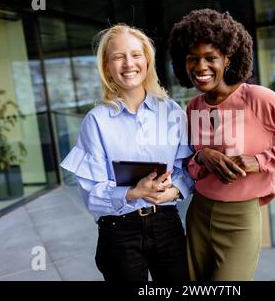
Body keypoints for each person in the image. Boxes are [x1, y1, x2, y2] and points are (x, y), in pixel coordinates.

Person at [169, 9, 275, 281]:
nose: (200, 67)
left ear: (227, 59)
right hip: (199, 212)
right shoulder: (193, 106)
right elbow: (190, 164)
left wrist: (260, 160)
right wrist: (203, 156)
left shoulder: (257, 98)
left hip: (240, 219)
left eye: (210, 58)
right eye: (192, 59)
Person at [60, 24, 193, 282]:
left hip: (167, 225)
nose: (128, 63)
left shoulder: (172, 111)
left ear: (147, 60)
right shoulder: (96, 121)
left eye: (135, 54)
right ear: (107, 66)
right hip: (119, 232)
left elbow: (186, 170)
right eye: (118, 56)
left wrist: (175, 190)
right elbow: (91, 194)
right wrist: (134, 192)